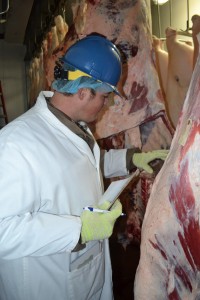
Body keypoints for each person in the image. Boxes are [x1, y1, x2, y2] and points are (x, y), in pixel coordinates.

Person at [0, 34, 168, 300]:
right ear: (83, 92)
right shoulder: (16, 143)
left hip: (86, 275)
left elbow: (79, 166)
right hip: (47, 286)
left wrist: (130, 158)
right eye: (104, 97)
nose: (107, 105)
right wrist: (78, 230)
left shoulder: (74, 129)